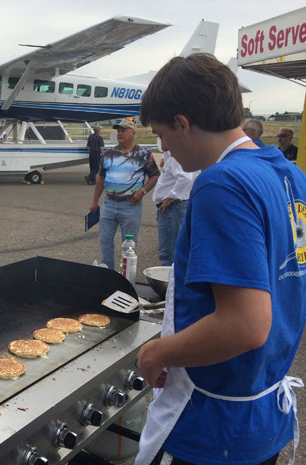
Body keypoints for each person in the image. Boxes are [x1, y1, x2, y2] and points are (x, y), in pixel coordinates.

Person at [135, 53, 306, 465]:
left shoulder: (222, 183)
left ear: (183, 123)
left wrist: (157, 352)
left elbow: (245, 324)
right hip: (261, 413)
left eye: (161, 134)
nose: (164, 148)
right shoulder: (288, 174)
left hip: (214, 424)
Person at [88, 119, 159, 270]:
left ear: (133, 133)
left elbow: (155, 176)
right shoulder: (109, 153)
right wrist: (95, 201)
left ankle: (127, 278)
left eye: (124, 130)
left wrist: (142, 192)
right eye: (118, 131)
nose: (120, 133)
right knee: (105, 241)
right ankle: (108, 275)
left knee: (130, 246)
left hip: (130, 205)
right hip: (109, 203)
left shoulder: (144, 154)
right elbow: (100, 177)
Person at [151, 140, 198, 266]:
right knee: (171, 250)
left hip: (172, 208)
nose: (160, 141)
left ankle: (168, 282)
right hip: (174, 206)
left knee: (168, 252)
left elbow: (185, 178)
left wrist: (170, 198)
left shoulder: (176, 158)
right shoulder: (171, 156)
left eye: (162, 137)